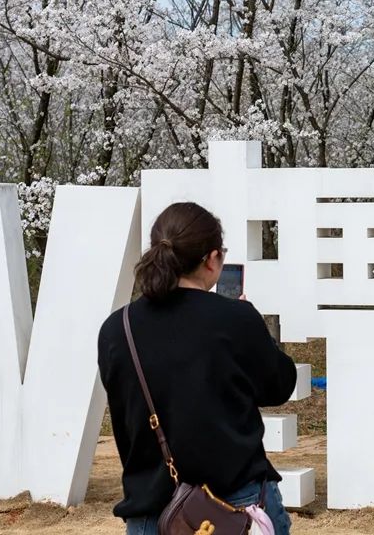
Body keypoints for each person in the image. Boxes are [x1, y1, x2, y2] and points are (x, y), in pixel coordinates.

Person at [98, 202, 296, 535]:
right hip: (236, 508)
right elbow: (279, 386)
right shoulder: (235, 319)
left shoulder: (118, 329)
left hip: (152, 516)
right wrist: (252, 328)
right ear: (212, 258)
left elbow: (125, 411)